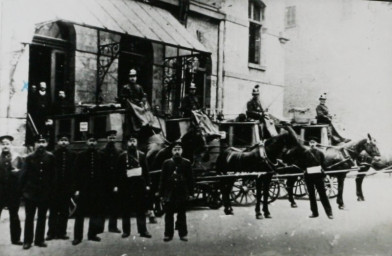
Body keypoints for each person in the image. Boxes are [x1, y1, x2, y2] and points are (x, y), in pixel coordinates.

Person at [20, 134, 55, 249]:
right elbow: (23, 176)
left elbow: (53, 176)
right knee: (29, 218)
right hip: (30, 193)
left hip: (45, 193)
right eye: (38, 142)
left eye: (43, 141)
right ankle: (27, 241)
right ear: (35, 144)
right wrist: (23, 192)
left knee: (42, 217)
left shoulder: (50, 157)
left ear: (46, 143)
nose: (41, 144)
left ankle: (39, 240)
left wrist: (51, 191)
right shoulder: (29, 158)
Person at [72, 134, 105, 245]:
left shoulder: (100, 155)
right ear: (87, 142)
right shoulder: (81, 155)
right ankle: (77, 237)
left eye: (94, 141)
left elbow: (104, 173)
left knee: (95, 212)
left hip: (96, 189)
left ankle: (92, 234)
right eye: (90, 141)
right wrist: (76, 189)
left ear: (96, 143)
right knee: (79, 214)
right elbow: (75, 173)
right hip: (83, 189)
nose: (92, 143)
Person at [117, 134, 152, 239]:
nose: (132, 143)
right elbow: (118, 173)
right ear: (127, 143)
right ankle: (126, 231)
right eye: (130, 141)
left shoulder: (141, 155)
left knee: (141, 209)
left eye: (134, 141)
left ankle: (143, 231)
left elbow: (146, 170)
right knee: (125, 210)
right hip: (126, 186)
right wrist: (118, 186)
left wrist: (148, 184)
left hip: (139, 186)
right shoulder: (122, 156)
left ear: (137, 143)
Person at [158, 142, 194, 242]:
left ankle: (183, 234)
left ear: (182, 151)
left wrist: (191, 193)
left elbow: (190, 179)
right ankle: (168, 234)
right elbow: (162, 179)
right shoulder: (167, 163)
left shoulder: (186, 163)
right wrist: (161, 194)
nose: (177, 151)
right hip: (170, 193)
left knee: (182, 214)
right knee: (169, 214)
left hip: (182, 192)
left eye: (179, 149)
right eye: (175, 149)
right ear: (172, 151)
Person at [46, 134, 76, 241]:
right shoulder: (52, 155)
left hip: (66, 188)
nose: (63, 142)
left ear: (68, 142)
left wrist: (72, 187)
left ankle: (62, 232)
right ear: (58, 142)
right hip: (55, 188)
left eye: (66, 140)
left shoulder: (72, 155)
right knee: (53, 211)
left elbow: (74, 173)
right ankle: (51, 233)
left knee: (64, 211)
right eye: (61, 140)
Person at [0, 135, 23, 246]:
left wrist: (18, 172)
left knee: (14, 216)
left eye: (7, 143)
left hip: (13, 193)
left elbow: (23, 174)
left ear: (11, 145)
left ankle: (16, 239)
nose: (5, 146)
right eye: (3, 144)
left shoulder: (17, 158)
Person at [100, 130, 121, 233]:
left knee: (114, 205)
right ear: (107, 139)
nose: (112, 140)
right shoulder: (102, 151)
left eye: (113, 138)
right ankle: (100, 227)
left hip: (114, 183)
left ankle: (113, 227)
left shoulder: (118, 152)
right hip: (104, 182)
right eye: (110, 138)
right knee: (103, 205)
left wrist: (117, 184)